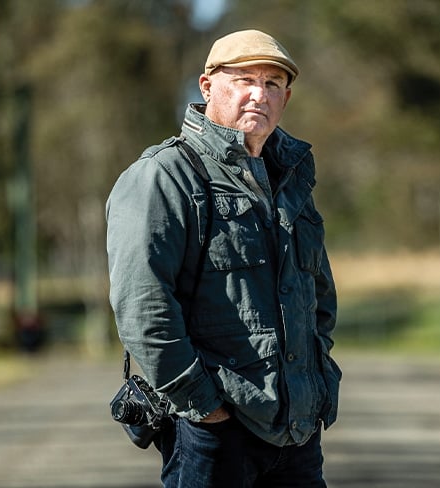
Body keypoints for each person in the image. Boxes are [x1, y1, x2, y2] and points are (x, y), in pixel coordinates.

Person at [106, 29, 340, 488]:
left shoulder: (291, 180)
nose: (259, 94)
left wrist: (319, 380)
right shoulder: (162, 176)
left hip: (297, 433)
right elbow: (143, 307)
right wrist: (205, 408)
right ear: (207, 86)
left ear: (286, 98)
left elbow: (319, 298)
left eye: (273, 84)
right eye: (245, 79)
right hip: (211, 434)